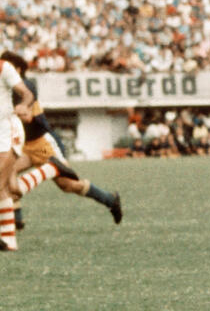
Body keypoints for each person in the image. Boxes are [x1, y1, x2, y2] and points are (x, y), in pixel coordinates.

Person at [1, 53, 123, 228]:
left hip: (42, 144)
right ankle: (16, 217)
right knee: (5, 176)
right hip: (24, 145)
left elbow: (28, 117)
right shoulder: (8, 88)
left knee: (68, 185)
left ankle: (109, 200)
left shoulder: (25, 87)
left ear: (17, 70)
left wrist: (13, 113)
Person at [0, 52, 35, 251]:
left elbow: (27, 93)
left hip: (8, 131)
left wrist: (23, 105)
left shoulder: (4, 67)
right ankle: (9, 240)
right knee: (6, 187)